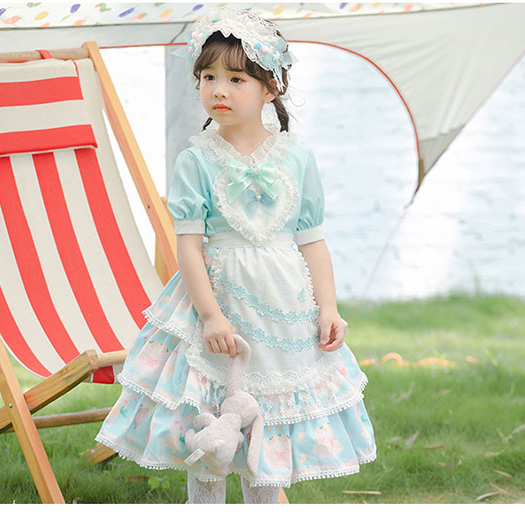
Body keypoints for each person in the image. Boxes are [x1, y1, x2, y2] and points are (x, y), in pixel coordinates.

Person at [95, 6, 377, 504]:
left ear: (270, 88)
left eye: (235, 78)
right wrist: (210, 316)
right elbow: (188, 245)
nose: (218, 90)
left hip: (284, 307)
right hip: (220, 301)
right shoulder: (196, 159)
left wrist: (328, 307)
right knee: (210, 418)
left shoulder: (298, 157)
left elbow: (312, 240)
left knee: (269, 413)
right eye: (208, 77)